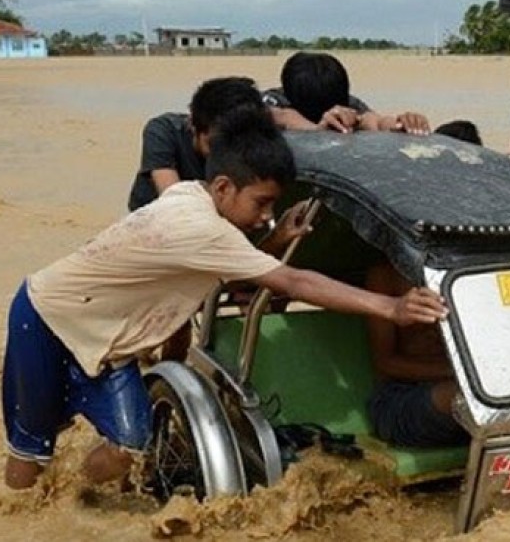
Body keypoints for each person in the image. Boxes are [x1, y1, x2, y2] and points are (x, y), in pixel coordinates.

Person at [2, 85, 448, 491]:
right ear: (222, 186)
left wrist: (272, 240)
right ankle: (25, 507)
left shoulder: (192, 197)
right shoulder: (197, 226)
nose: (266, 215)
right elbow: (293, 280)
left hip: (105, 333)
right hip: (48, 318)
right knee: (32, 447)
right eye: (262, 203)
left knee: (131, 445)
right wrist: (390, 307)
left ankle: (66, 494)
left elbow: (223, 270)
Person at [364, 120, 482, 448]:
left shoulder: (480, 260)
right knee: (468, 400)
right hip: (406, 399)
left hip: (480, 386)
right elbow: (386, 363)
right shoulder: (386, 273)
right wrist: (463, 376)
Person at [127, 76, 265, 211]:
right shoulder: (164, 132)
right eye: (215, 144)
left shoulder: (249, 142)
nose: (222, 153)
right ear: (193, 125)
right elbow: (174, 201)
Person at [264, 51, 430, 135]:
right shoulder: (275, 100)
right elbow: (283, 117)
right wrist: (318, 130)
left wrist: (402, 124)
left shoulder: (347, 103)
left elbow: (371, 120)